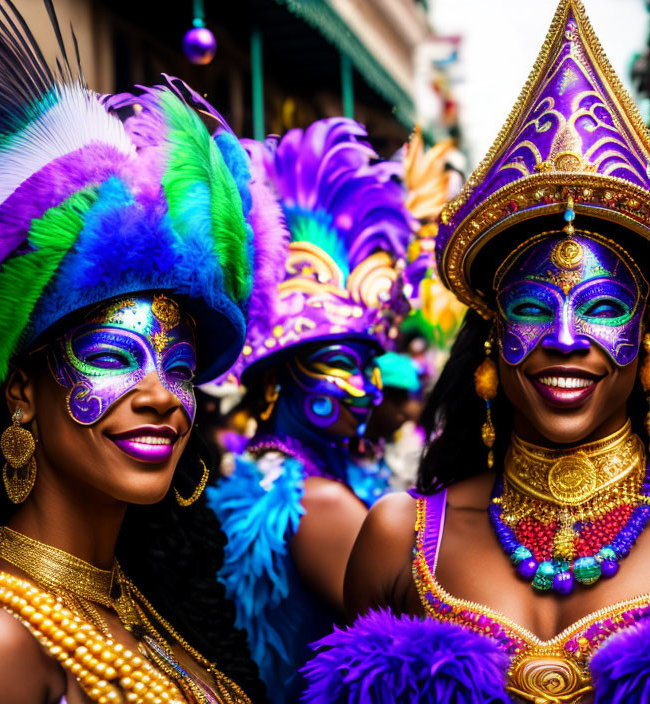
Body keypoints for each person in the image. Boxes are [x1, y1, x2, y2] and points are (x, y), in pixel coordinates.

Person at [303, 1, 650, 702]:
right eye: (530, 309)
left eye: (602, 308)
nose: (566, 339)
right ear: (490, 340)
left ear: (645, 341)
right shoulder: (400, 536)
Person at [0, 1, 271, 701]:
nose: (161, 397)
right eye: (114, 357)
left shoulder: (142, 607)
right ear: (21, 388)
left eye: (179, 368)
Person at [205, 117, 414, 702]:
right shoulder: (316, 503)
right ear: (273, 383)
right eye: (344, 365)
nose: (370, 389)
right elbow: (425, 647)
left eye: (371, 367)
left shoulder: (276, 480)